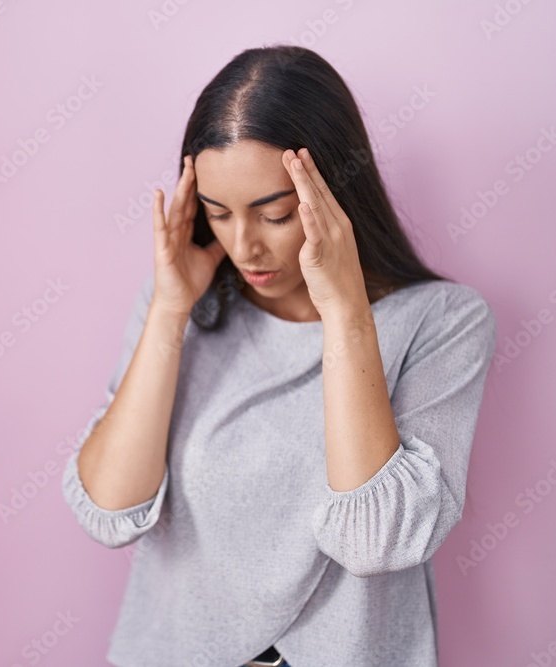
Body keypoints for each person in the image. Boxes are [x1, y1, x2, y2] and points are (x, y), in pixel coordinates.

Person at [61, 44, 497, 667]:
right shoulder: (180, 308)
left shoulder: (442, 323)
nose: (245, 247)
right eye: (218, 214)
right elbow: (108, 510)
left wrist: (345, 312)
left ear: (335, 195)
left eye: (275, 215)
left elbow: (378, 539)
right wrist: (169, 309)